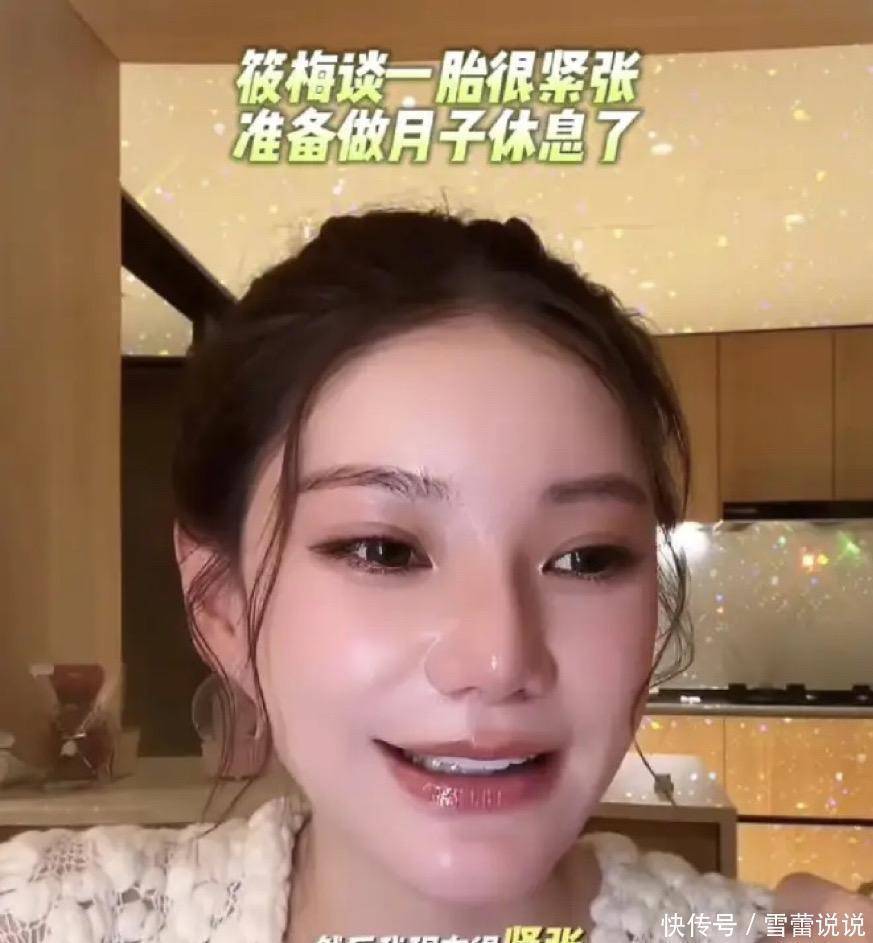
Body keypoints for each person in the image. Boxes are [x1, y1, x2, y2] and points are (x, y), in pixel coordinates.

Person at [0, 210, 870, 943]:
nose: (497, 659)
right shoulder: (47, 914)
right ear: (223, 605)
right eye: (383, 550)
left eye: (584, 557)